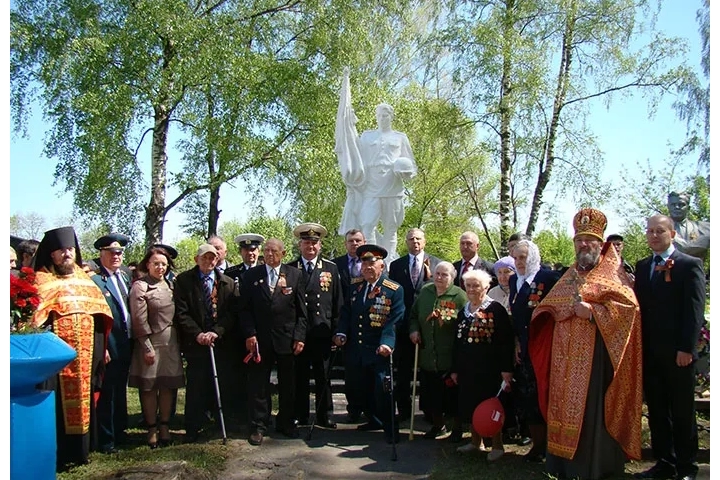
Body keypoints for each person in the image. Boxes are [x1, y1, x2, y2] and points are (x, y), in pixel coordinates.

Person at [529, 208, 643, 480]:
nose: (584, 245)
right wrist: (550, 313)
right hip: (563, 359)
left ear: (600, 243)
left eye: (590, 240)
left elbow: (630, 310)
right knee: (562, 407)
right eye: (579, 240)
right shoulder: (569, 275)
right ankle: (561, 465)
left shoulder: (612, 275)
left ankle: (592, 467)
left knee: (591, 413)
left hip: (596, 361)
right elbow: (548, 306)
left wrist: (594, 313)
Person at [30, 226, 113, 469]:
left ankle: (80, 451)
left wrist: (102, 349)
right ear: (51, 254)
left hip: (85, 354)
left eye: (70, 249)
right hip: (54, 359)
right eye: (61, 250)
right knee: (56, 401)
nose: (67, 254)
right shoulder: (42, 280)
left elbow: (101, 317)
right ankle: (56, 452)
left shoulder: (84, 280)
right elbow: (34, 320)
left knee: (83, 398)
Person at [633, 214, 706, 480]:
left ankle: (687, 467)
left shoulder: (689, 265)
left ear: (672, 234)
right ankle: (665, 463)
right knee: (658, 411)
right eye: (650, 230)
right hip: (651, 355)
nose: (653, 235)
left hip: (679, 355)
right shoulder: (643, 267)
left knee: (682, 412)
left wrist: (686, 348)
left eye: (660, 231)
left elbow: (694, 311)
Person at [336, 69, 417, 261]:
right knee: (367, 224)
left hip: (393, 187)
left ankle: (389, 261)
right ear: (376, 116)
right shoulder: (367, 136)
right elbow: (354, 149)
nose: (383, 118)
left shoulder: (400, 137)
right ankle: (371, 257)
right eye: (380, 115)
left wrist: (407, 174)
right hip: (371, 187)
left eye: (386, 115)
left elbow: (412, 165)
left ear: (391, 116)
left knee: (391, 226)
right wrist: (348, 125)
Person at [239, 238, 308, 445]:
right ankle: (259, 425)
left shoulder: (295, 275)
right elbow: (244, 309)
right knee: (259, 384)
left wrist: (299, 337)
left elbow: (302, 312)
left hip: (286, 339)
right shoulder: (251, 276)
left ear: (283, 253)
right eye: (266, 251)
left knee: (288, 384)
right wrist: (250, 334)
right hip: (260, 340)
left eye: (274, 251)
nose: (269, 254)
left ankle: (286, 422)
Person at [333, 244, 404, 444]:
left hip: (379, 349)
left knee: (383, 390)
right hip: (357, 349)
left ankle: (391, 429)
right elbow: (346, 313)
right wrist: (340, 332)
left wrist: (387, 343)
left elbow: (395, 319)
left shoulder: (393, 290)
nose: (367, 268)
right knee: (360, 388)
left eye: (371, 264)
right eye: (364, 264)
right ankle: (374, 420)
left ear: (381, 265)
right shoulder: (356, 288)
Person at [174, 243, 238, 443]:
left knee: (223, 384)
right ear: (196, 259)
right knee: (196, 387)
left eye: (213, 258)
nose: (209, 261)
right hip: (196, 344)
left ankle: (221, 425)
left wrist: (216, 332)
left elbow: (231, 314)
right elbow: (181, 313)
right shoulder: (184, 281)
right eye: (205, 258)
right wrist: (198, 334)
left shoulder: (227, 282)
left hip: (220, 343)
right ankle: (193, 427)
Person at [450, 269, 514, 461]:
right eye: (468, 285)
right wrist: (455, 368)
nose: (471, 289)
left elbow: (506, 342)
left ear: (486, 287)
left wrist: (506, 370)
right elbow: (457, 342)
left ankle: (497, 445)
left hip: (490, 370)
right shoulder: (464, 311)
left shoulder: (496, 310)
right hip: (467, 369)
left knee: (490, 406)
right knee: (470, 404)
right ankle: (475, 442)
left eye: (475, 285)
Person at [508, 239, 561, 462]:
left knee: (544, 393)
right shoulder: (513, 281)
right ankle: (537, 445)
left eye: (523, 258)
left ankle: (552, 446)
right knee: (528, 395)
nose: (519, 262)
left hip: (545, 348)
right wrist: (517, 343)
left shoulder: (548, 278)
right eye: (516, 258)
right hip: (524, 348)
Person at [128, 246, 184, 449]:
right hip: (150, 342)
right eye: (156, 264)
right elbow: (138, 319)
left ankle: (165, 426)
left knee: (168, 385)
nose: (160, 267)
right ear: (148, 264)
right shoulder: (140, 286)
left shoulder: (170, 284)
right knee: (149, 387)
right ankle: (151, 428)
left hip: (170, 342)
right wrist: (146, 346)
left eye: (164, 264)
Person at [290, 223, 343, 429]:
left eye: (314, 242)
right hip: (300, 333)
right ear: (299, 245)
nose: (310, 246)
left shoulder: (331, 268)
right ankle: (301, 415)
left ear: (320, 245)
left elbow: (338, 302)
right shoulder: (292, 268)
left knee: (324, 376)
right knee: (300, 376)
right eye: (306, 242)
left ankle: (325, 415)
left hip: (323, 331)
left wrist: (337, 331)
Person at [389, 227, 444, 422]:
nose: (415, 242)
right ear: (406, 242)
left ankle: (430, 411)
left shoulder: (437, 264)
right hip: (404, 326)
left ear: (425, 241)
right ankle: (403, 411)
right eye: (411, 239)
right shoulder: (396, 266)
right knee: (403, 371)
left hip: (429, 326)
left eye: (419, 239)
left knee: (428, 372)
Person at [408, 261, 467, 439]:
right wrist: (414, 330)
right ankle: (437, 425)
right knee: (431, 394)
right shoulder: (425, 292)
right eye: (437, 274)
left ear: (452, 277)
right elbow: (413, 316)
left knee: (452, 396)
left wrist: (448, 320)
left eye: (444, 275)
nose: (439, 278)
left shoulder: (460, 296)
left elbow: (464, 322)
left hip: (448, 355)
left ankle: (457, 428)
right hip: (427, 354)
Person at [90, 233, 134, 454]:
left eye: (119, 253)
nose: (116, 256)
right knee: (106, 394)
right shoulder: (96, 282)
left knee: (120, 391)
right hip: (109, 345)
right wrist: (102, 347)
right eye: (112, 253)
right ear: (102, 254)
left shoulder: (124, 278)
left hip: (125, 343)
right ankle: (106, 440)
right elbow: (96, 318)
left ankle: (120, 432)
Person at [223, 232, 266, 425]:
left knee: (258, 377)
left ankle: (257, 415)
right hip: (235, 333)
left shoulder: (268, 271)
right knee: (235, 374)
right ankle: (235, 414)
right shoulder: (230, 274)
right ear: (240, 252)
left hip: (259, 332)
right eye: (247, 250)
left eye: (254, 249)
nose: (251, 253)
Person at [331, 228, 367, 422]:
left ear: (364, 242)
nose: (355, 244)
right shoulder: (336, 265)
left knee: (367, 371)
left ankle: (370, 410)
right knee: (351, 372)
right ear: (345, 244)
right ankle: (353, 408)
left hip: (369, 326)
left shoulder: (372, 263)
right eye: (351, 241)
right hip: (346, 324)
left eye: (358, 240)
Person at [667, 191, 710, 262]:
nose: (677, 207)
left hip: (696, 271)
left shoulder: (706, 229)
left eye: (681, 204)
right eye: (673, 204)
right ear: (668, 207)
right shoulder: (658, 231)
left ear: (689, 208)